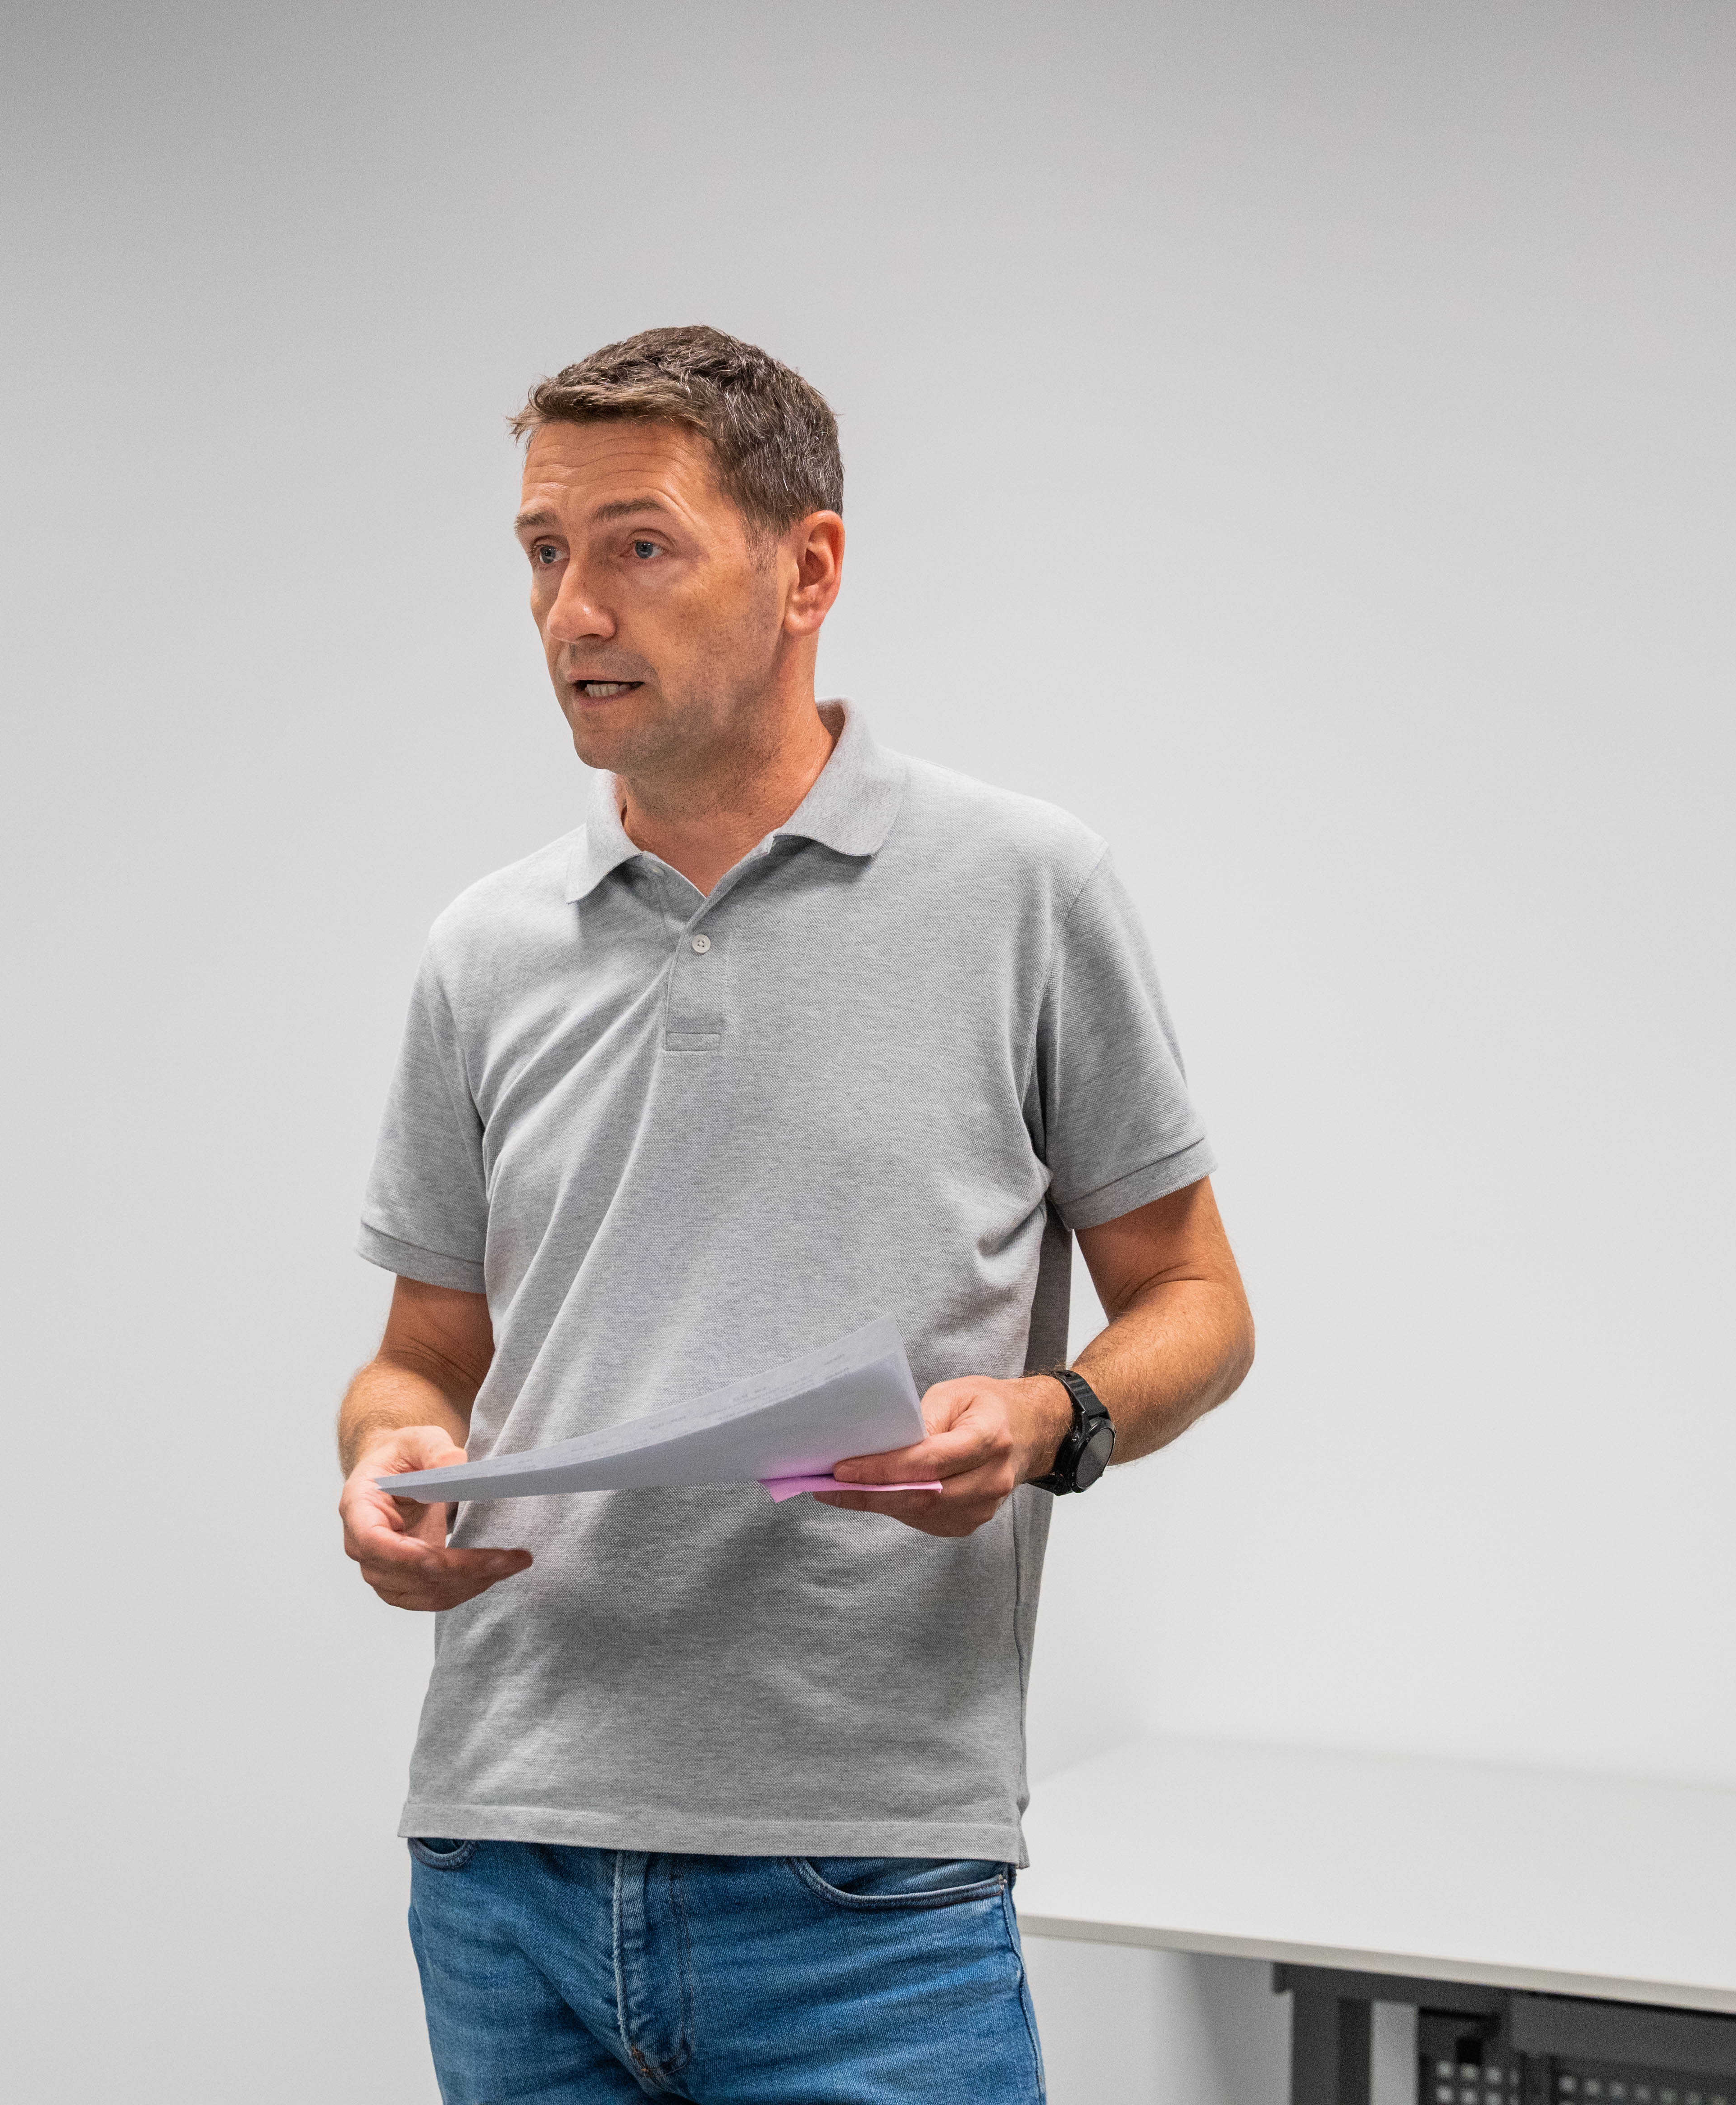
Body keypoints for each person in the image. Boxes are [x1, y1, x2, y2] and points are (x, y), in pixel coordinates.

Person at [337, 325, 1255, 2105]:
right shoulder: (483, 948)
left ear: (807, 568)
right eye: (544, 551)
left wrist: (1052, 1414)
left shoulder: (1023, 888)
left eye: (639, 546)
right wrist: (390, 1461)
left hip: (865, 1884)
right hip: (504, 1855)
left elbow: (1199, 1299)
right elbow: (420, 1357)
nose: (574, 611)